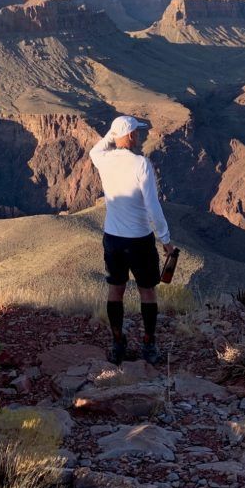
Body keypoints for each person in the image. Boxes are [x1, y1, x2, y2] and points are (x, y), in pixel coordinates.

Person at [89, 115, 175, 365]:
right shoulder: (141, 164)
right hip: (139, 240)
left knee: (116, 289)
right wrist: (165, 239)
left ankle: (118, 342)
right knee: (147, 291)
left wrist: (114, 134)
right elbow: (153, 207)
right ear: (129, 136)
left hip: (113, 239)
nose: (139, 136)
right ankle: (149, 344)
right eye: (135, 132)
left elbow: (97, 148)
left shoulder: (102, 160)